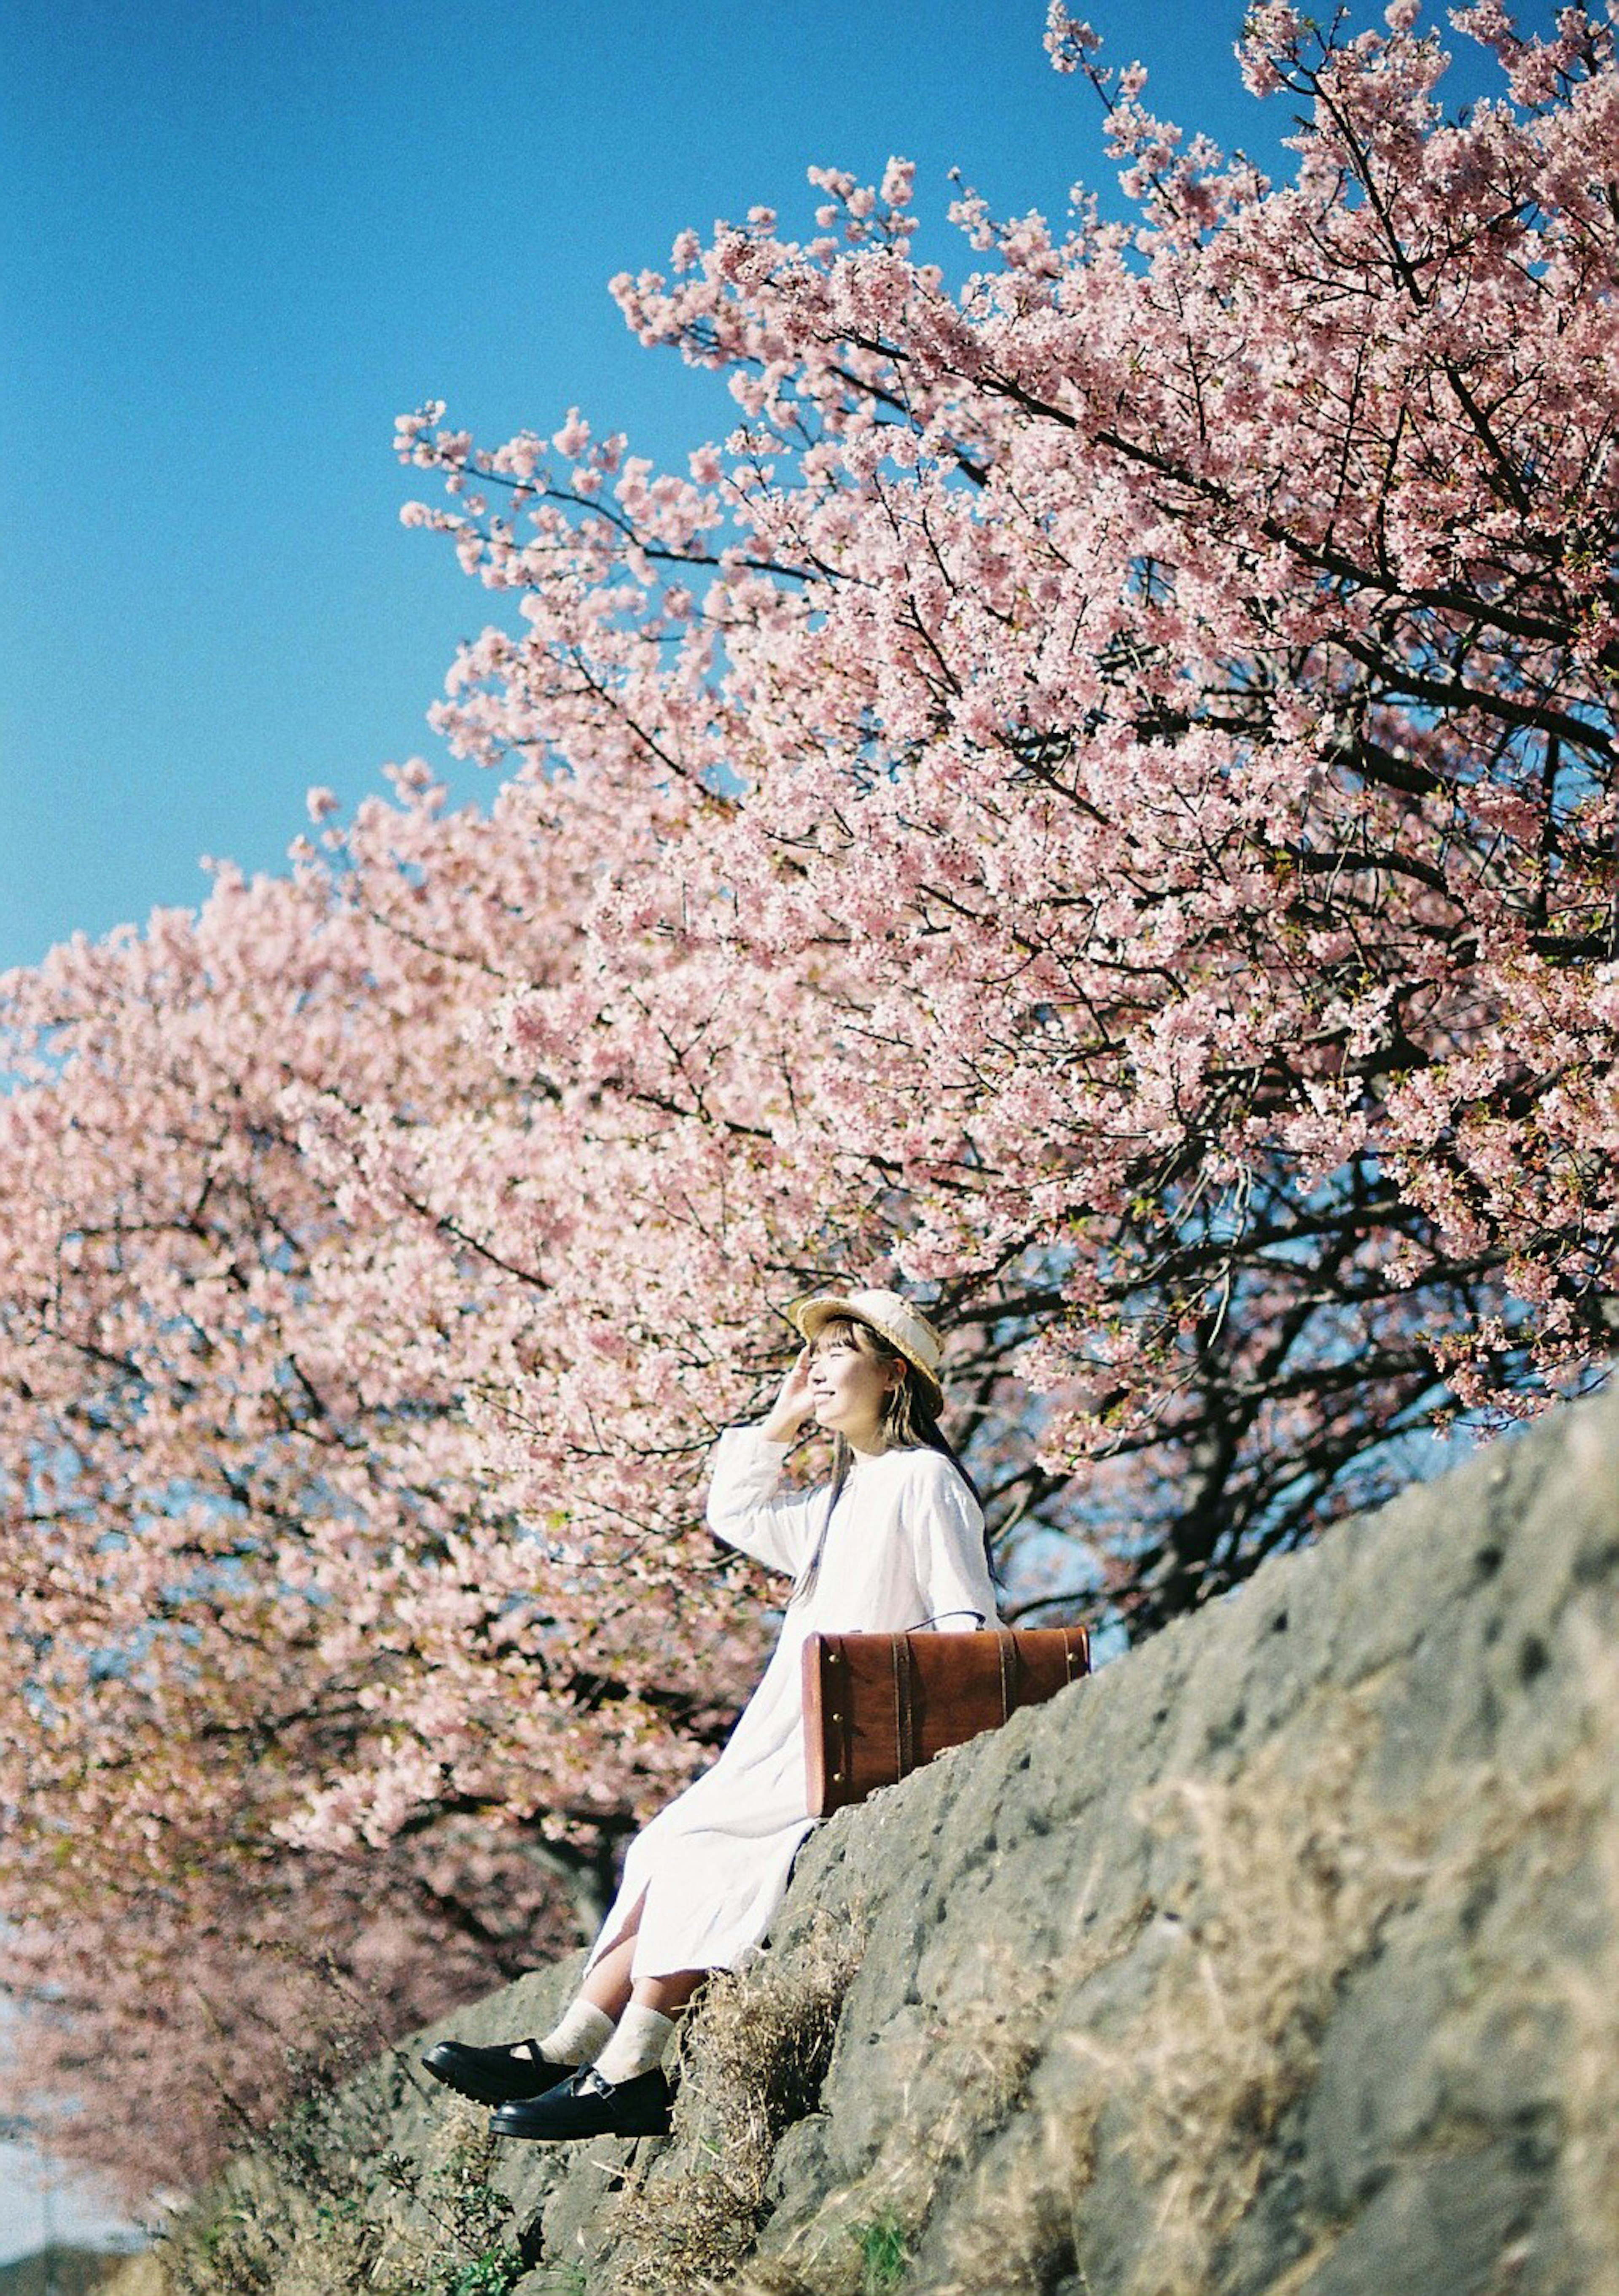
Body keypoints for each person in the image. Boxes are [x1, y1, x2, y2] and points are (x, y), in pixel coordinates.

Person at [421, 1286, 998, 2141]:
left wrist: (939, 1743)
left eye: (842, 1349)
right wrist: (777, 1422)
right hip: (789, 1735)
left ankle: (628, 2068)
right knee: (662, 1841)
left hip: (856, 1735)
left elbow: (967, 1621)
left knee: (702, 1850)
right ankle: (569, 2047)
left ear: (895, 1374)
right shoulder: (845, 1495)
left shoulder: (924, 1479)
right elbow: (737, 1513)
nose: (817, 1364)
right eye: (817, 1350)